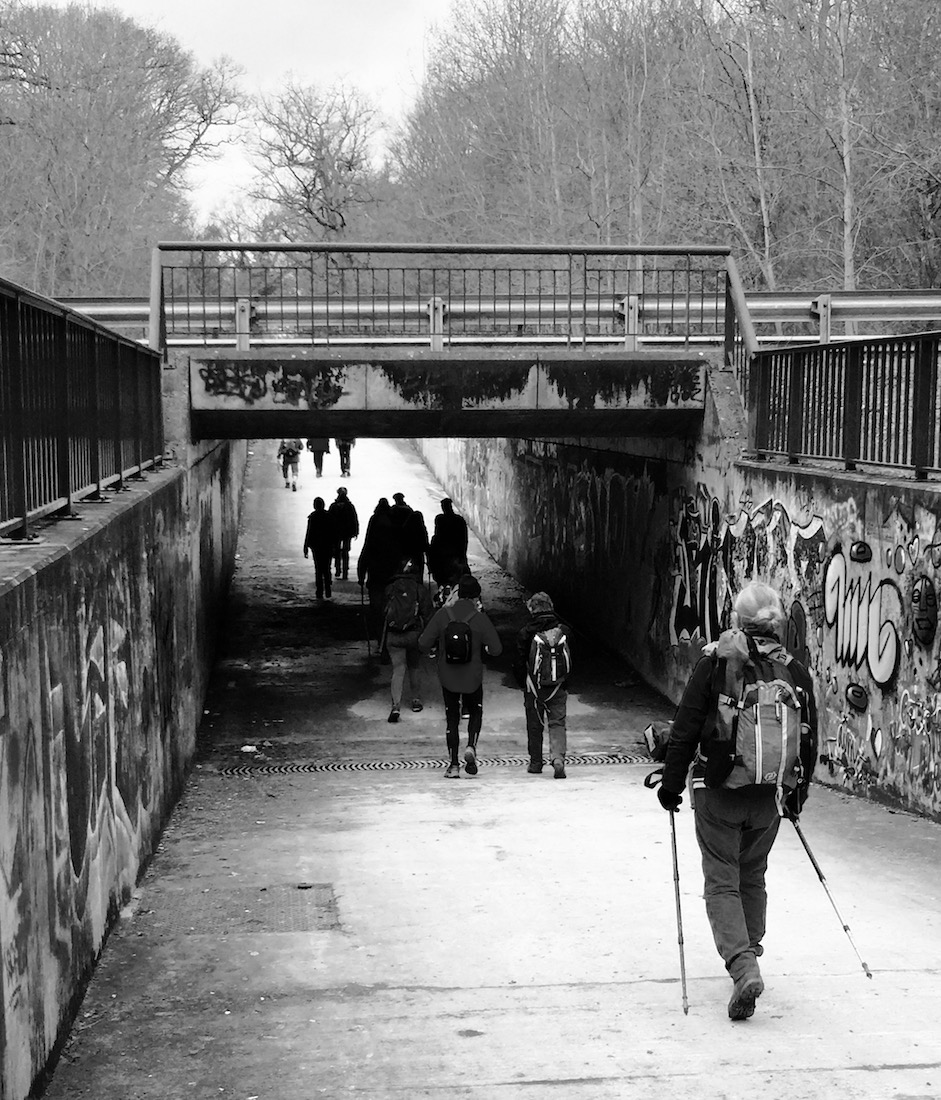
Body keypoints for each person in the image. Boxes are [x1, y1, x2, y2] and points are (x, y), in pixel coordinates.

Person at [654, 580, 817, 1022]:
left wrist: (671, 786)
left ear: (737, 620)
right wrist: (796, 796)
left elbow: (686, 728)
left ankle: (744, 966)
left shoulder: (716, 662)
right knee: (753, 874)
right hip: (768, 795)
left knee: (722, 881)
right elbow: (808, 738)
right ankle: (751, 948)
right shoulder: (794, 671)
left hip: (718, 791)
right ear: (777, 623)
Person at [419, 575, 502, 778]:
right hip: (472, 676)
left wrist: (437, 648)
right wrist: (485, 649)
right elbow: (497, 649)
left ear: (458, 594)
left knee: (452, 719)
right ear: (476, 597)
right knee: (475, 712)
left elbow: (423, 642)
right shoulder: (479, 618)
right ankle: (471, 745)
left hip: (448, 675)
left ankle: (453, 765)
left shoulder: (443, 615)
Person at [514, 592, 571, 779]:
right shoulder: (564, 631)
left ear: (532, 609)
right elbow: (572, 659)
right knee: (557, 723)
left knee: (534, 724)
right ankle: (558, 759)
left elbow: (519, 661)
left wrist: (523, 683)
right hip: (558, 686)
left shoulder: (525, 632)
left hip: (534, 687)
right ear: (551, 607)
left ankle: (536, 763)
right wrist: (566, 682)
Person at [382, 560, 433, 723]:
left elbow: (382, 612)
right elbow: (428, 614)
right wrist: (431, 639)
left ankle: (395, 706)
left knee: (398, 669)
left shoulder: (390, 588)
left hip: (393, 635)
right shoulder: (419, 589)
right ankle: (415, 700)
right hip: (413, 635)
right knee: (414, 667)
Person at [357, 498, 399, 646]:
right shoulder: (393, 532)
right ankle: (388, 638)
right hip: (391, 579)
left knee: (377, 611)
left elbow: (366, 551)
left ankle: (380, 638)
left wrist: (361, 575)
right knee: (391, 610)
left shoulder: (374, 534)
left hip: (375, 578)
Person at [429, 498, 469, 585]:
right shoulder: (458, 520)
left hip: (446, 554)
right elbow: (464, 539)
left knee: (445, 578)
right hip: (453, 553)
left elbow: (438, 536)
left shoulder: (441, 519)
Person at [303, 496, 336, 599]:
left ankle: (319, 591)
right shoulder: (329, 516)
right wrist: (334, 546)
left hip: (316, 547)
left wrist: (306, 546)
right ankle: (328, 589)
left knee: (318, 569)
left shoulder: (313, 517)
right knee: (327, 568)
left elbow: (309, 532)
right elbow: (334, 532)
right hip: (327, 546)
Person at [328, 486, 359, 580]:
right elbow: (354, 519)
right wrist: (356, 531)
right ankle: (345, 572)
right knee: (345, 552)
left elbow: (329, 520)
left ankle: (338, 569)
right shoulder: (350, 506)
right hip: (347, 533)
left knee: (336, 551)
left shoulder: (333, 506)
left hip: (336, 532)